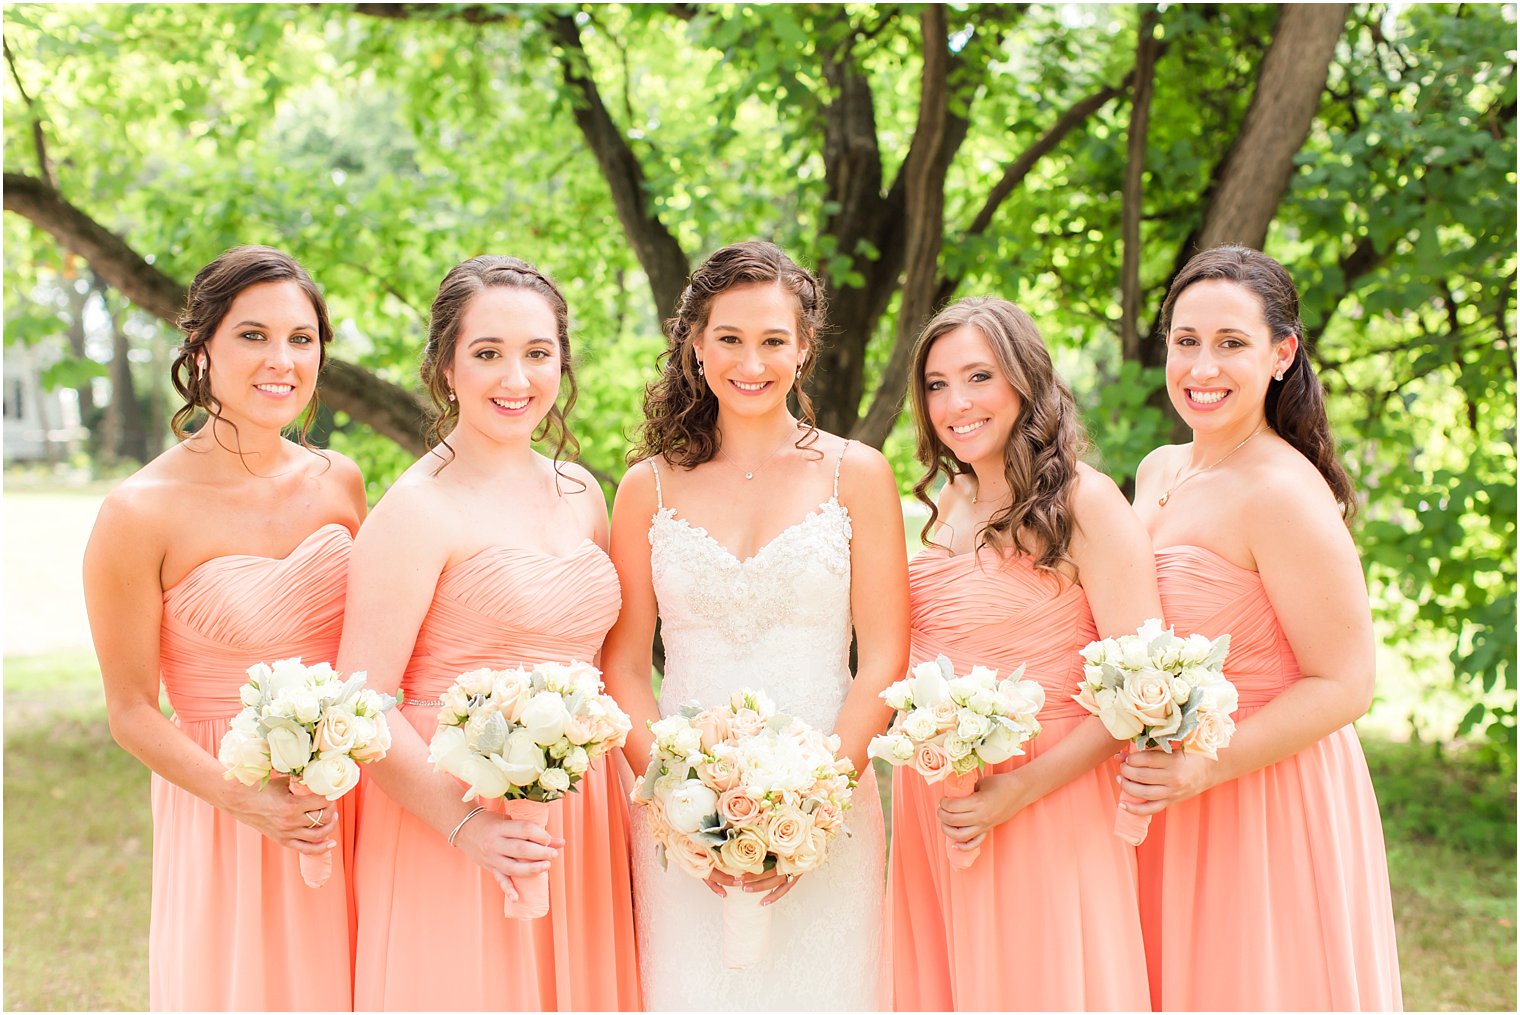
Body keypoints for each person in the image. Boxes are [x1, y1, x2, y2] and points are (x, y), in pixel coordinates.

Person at [600, 240, 909, 1011]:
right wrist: (679, 802)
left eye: (773, 339)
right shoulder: (647, 488)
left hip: (830, 806)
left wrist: (812, 808)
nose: (752, 360)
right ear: (696, 346)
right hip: (679, 817)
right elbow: (626, 670)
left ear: (803, 348)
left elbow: (885, 659)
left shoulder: (857, 475)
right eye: (730, 338)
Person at [336, 256, 639, 1011]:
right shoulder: (416, 509)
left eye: (538, 353)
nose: (516, 377)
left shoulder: (581, 492)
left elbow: (604, 670)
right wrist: (465, 824)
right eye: (488, 352)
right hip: (452, 812)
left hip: (582, 812)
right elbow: (359, 702)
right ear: (446, 366)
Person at [83, 246, 365, 1011]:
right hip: (224, 803)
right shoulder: (138, 513)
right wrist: (244, 799)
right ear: (201, 351)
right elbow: (132, 710)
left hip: (345, 797)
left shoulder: (340, 480)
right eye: (253, 335)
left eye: (301, 339)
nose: (282, 360)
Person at [1124, 245, 1402, 1010]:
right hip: (1165, 795)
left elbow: (1346, 682)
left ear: (1282, 354)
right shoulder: (1158, 469)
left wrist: (1205, 765)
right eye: (1186, 341)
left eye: (1231, 343)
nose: (1201, 367)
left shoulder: (1280, 491)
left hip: (1260, 795)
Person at [886, 297, 1158, 1010]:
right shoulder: (948, 499)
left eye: (979, 376)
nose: (956, 402)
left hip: (1047, 796)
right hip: (941, 796)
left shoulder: (1086, 502)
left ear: (1024, 382)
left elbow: (1142, 693)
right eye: (937, 384)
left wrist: (1017, 790)